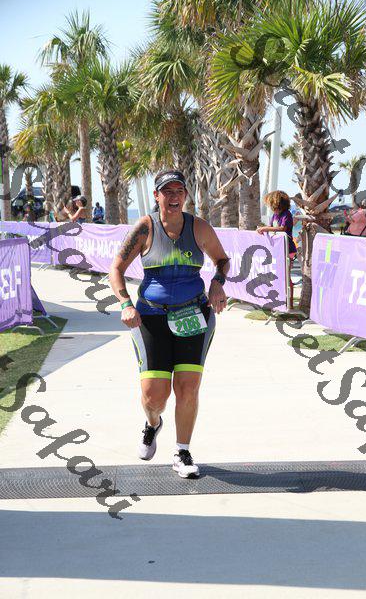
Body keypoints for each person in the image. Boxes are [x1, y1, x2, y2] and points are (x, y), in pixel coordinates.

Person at [109, 170, 230, 478]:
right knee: (154, 397)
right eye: (168, 191)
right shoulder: (145, 228)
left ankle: (182, 451)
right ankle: (152, 424)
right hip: (151, 317)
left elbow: (222, 259)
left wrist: (217, 283)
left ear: (185, 195)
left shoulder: (198, 227)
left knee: (188, 388)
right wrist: (125, 304)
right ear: (157, 196)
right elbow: (116, 269)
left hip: (194, 315)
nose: (174, 197)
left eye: (179, 191)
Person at [256, 190, 297, 310]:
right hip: (277, 250)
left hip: (288, 249)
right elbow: (271, 228)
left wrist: (265, 228)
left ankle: (290, 303)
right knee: (278, 276)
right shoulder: (274, 215)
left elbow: (282, 228)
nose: (270, 207)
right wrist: (264, 229)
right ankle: (280, 301)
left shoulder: (286, 214)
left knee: (286, 276)